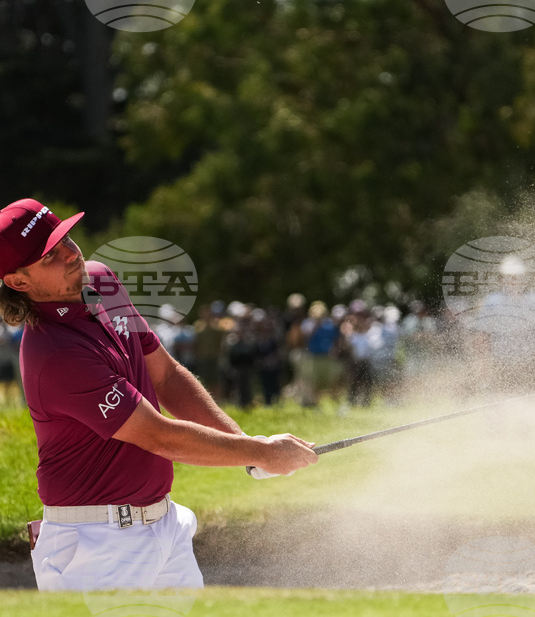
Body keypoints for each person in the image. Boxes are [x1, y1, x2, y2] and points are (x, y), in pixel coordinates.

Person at [0, 199, 318, 592]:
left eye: (67, 239)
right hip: (95, 546)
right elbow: (158, 436)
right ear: (18, 282)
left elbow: (166, 376)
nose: (70, 254)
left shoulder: (102, 281)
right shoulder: (54, 352)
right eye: (50, 255)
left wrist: (247, 445)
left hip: (163, 526)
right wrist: (262, 453)